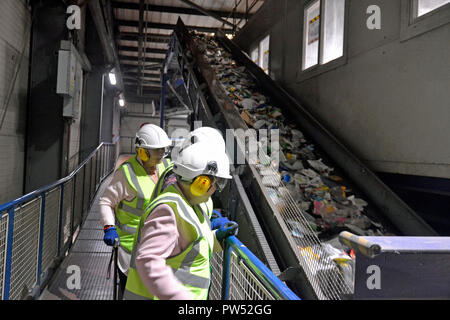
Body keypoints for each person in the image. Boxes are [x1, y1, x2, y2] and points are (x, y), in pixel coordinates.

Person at [123, 127, 238, 300]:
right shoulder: (169, 209)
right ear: (201, 182)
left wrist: (216, 239)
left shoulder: (192, 205)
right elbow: (148, 261)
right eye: (215, 183)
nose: (216, 190)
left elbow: (185, 250)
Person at [99, 124, 172, 299]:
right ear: (142, 152)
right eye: (157, 151)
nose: (161, 155)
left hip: (160, 249)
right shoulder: (127, 173)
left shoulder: (166, 167)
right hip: (131, 251)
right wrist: (109, 227)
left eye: (163, 150)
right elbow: (106, 201)